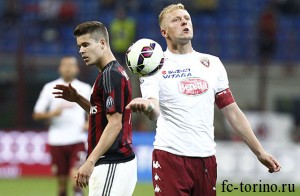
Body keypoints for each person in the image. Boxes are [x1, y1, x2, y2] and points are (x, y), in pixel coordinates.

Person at [126, 3, 281, 196]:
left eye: (187, 18)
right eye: (176, 19)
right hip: (170, 158)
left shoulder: (212, 63)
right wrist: (147, 106)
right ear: (164, 32)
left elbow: (232, 111)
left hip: (206, 160)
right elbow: (154, 108)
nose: (184, 22)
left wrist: (259, 151)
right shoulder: (155, 65)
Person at [53, 21, 136, 196]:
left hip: (112, 161)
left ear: (102, 43)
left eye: (85, 44)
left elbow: (115, 124)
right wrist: (77, 99)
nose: (81, 50)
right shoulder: (109, 73)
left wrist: (89, 162)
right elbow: (101, 114)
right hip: (113, 162)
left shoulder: (110, 75)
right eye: (79, 46)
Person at [33, 56, 91, 196]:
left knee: (76, 178)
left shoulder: (84, 88)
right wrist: (52, 113)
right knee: (61, 186)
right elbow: (37, 114)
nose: (67, 68)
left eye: (71, 65)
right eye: (64, 65)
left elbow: (93, 109)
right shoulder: (49, 88)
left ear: (77, 69)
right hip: (56, 140)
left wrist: (88, 123)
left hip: (77, 139)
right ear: (59, 68)